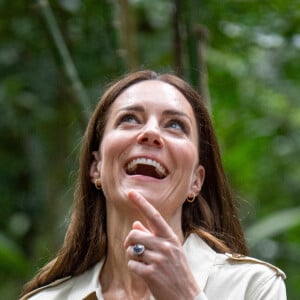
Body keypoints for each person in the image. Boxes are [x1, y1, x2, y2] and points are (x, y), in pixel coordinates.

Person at [20, 70, 286, 299]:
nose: (150, 133)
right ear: (96, 167)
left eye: (175, 125)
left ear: (196, 181)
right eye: (129, 119)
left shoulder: (254, 286)